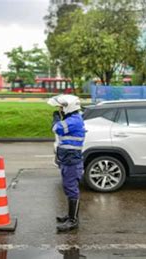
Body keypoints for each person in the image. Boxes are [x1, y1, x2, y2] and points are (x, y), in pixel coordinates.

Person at [47, 94, 86, 233]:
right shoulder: (72, 118)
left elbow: (56, 128)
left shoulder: (74, 121)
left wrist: (56, 119)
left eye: (61, 107)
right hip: (68, 159)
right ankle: (70, 216)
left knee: (71, 189)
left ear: (69, 107)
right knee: (68, 188)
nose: (60, 110)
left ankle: (73, 221)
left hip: (71, 161)